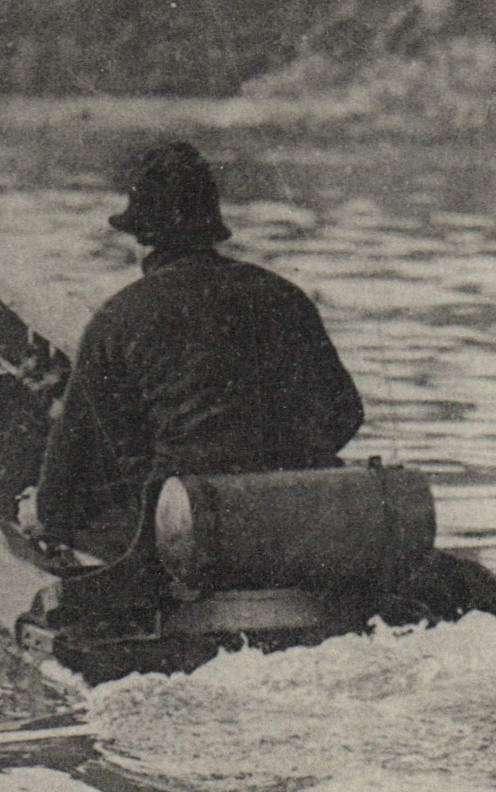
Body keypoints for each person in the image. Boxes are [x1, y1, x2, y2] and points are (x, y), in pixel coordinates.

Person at [34, 141, 363, 560]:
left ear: (141, 240)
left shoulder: (117, 318)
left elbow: (61, 489)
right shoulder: (285, 294)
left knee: (62, 521)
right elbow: (346, 413)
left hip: (188, 531)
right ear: (212, 229)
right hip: (296, 523)